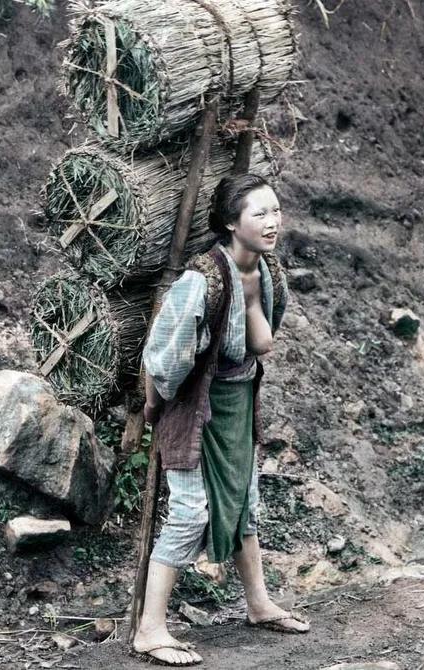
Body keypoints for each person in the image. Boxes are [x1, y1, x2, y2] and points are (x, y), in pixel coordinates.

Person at [132, 174, 310, 666]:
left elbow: (262, 343)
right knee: (192, 512)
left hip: (237, 403)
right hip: (193, 405)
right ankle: (150, 629)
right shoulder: (200, 280)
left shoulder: (268, 272)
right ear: (231, 222)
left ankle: (257, 603)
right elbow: (162, 358)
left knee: (244, 500)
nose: (273, 222)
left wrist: (252, 299)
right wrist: (153, 407)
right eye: (260, 214)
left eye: (276, 211)